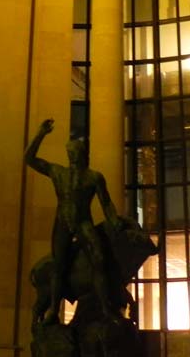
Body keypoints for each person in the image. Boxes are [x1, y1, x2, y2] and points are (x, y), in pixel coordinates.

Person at [25, 118, 120, 325]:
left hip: (83, 222)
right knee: (58, 266)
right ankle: (53, 310)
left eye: (76, 153)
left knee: (99, 259)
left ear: (84, 154)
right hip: (62, 223)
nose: (73, 156)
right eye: (70, 154)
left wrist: (114, 221)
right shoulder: (58, 172)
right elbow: (29, 159)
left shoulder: (94, 177)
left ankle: (106, 309)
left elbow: (106, 203)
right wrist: (40, 134)